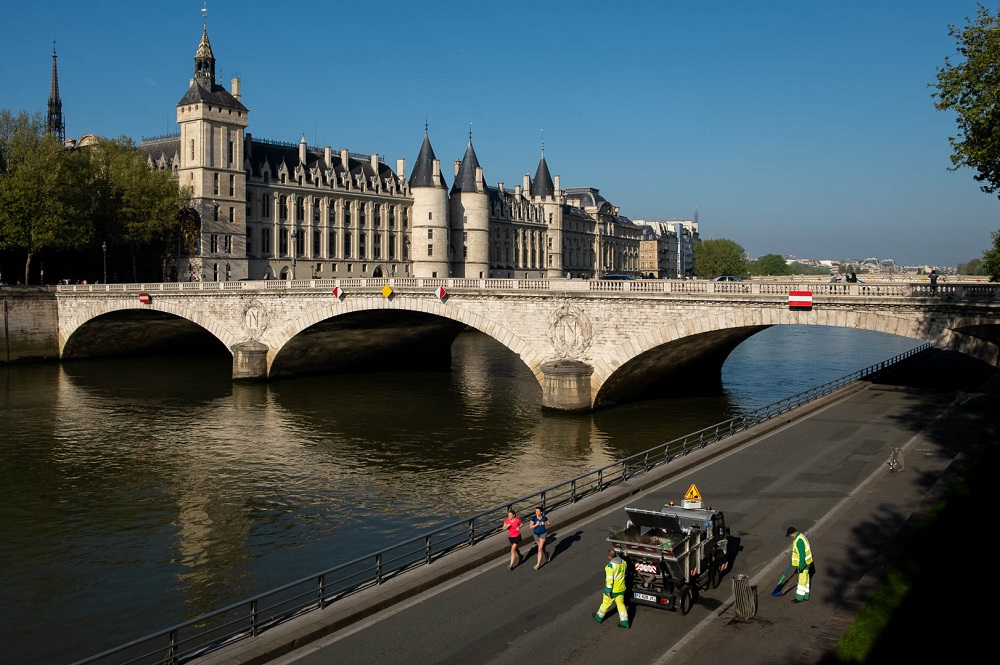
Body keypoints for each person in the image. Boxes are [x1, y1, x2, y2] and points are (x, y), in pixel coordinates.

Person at [594, 548, 630, 628]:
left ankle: (599, 617)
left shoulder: (610, 567)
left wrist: (608, 591)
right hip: (621, 588)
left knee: (606, 603)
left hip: (614, 590)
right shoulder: (623, 563)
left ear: (609, 557)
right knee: (621, 604)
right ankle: (625, 622)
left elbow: (609, 580)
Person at [786, 526, 814, 603]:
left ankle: (799, 598)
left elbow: (802, 555)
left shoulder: (799, 541)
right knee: (806, 580)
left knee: (801, 581)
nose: (790, 536)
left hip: (804, 563)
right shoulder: (801, 536)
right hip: (807, 562)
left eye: (790, 535)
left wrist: (800, 566)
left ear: (793, 533)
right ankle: (806, 596)